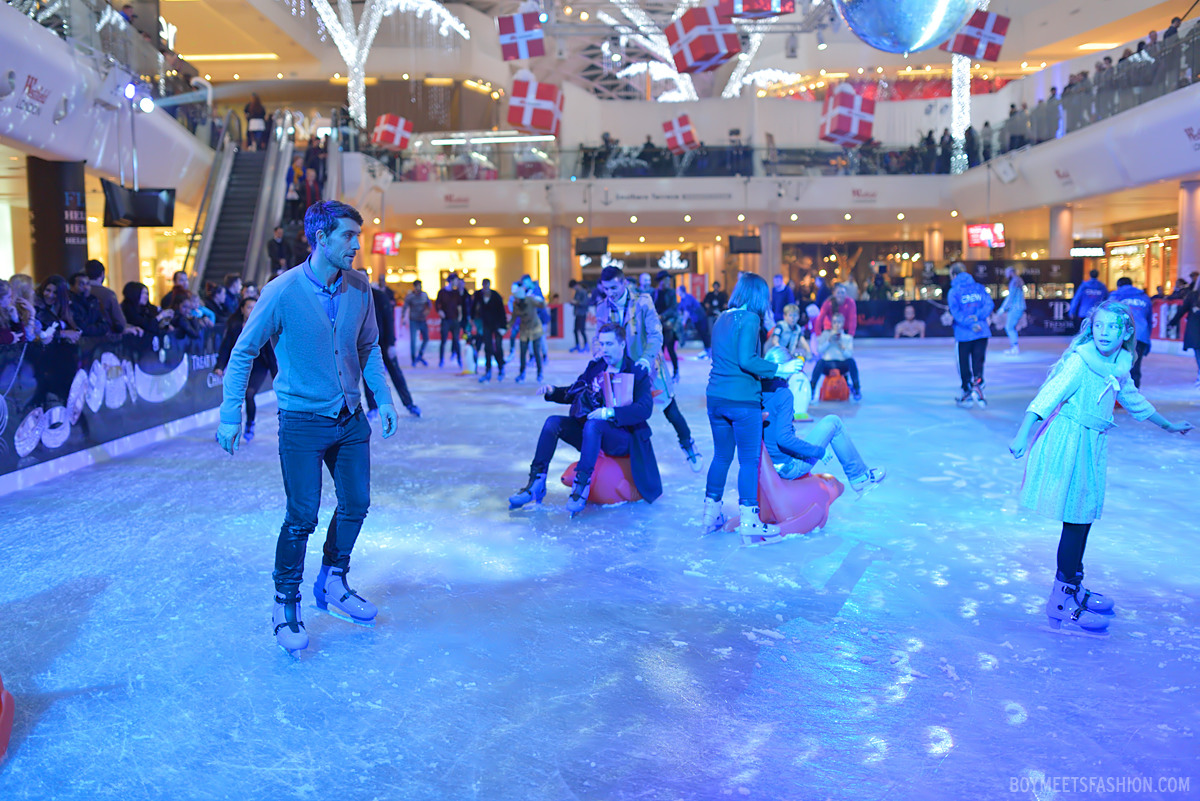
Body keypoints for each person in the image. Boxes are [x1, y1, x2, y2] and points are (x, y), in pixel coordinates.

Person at [215, 200, 398, 656]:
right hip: (301, 420)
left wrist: (384, 397)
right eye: (348, 236)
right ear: (321, 238)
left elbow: (370, 346)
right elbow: (243, 352)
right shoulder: (281, 291)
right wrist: (230, 411)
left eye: (358, 235)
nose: (357, 245)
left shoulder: (360, 287)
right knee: (302, 517)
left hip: (350, 417)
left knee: (357, 503)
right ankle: (285, 601)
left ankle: (333, 580)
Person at [1008, 301, 1192, 633]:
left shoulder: (1120, 365)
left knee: (1084, 515)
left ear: (1126, 332)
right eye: (1098, 326)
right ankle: (1061, 598)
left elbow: (1134, 400)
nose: (1103, 332)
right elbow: (1048, 396)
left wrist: (1167, 425)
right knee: (1076, 519)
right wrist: (1024, 433)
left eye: (1111, 327)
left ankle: (1073, 585)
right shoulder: (1081, 363)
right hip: (1068, 441)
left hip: (1091, 443)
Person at [508, 322, 662, 516]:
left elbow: (645, 409)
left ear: (622, 345)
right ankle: (536, 482)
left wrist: (610, 413)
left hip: (622, 438)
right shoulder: (596, 368)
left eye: (609, 344)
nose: (604, 349)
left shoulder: (636, 371)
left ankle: (581, 486)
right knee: (552, 423)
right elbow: (576, 392)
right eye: (602, 344)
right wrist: (553, 391)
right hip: (593, 433)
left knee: (594, 423)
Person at [703, 273, 804, 544]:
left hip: (715, 397)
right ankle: (750, 521)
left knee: (721, 457)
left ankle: (710, 515)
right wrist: (781, 368)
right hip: (741, 400)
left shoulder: (721, 318)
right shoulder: (750, 319)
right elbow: (748, 360)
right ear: (759, 295)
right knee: (749, 460)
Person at [594, 265, 702, 472]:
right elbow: (598, 338)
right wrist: (598, 353)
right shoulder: (602, 308)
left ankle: (688, 444)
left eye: (613, 288)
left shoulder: (642, 302)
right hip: (622, 371)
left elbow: (655, 334)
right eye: (606, 289)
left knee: (671, 410)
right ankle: (627, 463)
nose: (610, 294)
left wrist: (646, 358)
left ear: (624, 283)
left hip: (650, 367)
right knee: (625, 415)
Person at [762, 346, 886, 491]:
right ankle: (859, 477)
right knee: (834, 422)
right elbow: (783, 439)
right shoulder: (783, 394)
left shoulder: (758, 389)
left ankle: (859, 475)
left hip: (768, 464)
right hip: (787, 467)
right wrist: (819, 452)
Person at [214, 295, 277, 442]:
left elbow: (270, 353)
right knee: (231, 396)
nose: (252, 310)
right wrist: (219, 366)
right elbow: (225, 348)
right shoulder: (235, 327)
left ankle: (250, 424)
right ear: (242, 309)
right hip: (240, 367)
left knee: (249, 394)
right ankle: (226, 428)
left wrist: (276, 376)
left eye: (255, 307)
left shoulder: (263, 327)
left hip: (259, 366)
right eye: (249, 307)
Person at [362, 269, 420, 418]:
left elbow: (389, 320)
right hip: (365, 345)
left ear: (367, 279)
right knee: (368, 375)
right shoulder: (353, 298)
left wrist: (392, 344)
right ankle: (373, 407)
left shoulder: (379, 297)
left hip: (384, 342)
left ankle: (409, 404)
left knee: (395, 373)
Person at [948, 262, 993, 407]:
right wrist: (978, 317)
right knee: (978, 361)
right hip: (981, 331)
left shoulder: (954, 291)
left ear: (954, 275)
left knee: (963, 364)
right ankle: (978, 388)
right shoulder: (979, 288)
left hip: (964, 334)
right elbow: (989, 304)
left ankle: (967, 391)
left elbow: (956, 313)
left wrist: (969, 323)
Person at [1109, 277, 1153, 388]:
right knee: (1135, 366)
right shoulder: (1144, 298)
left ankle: (1117, 396)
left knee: (1116, 365)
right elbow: (1149, 320)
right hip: (1141, 335)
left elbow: (1107, 315)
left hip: (1121, 335)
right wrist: (1147, 339)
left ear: (1119, 286)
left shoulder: (1115, 296)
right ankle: (1134, 397)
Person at [810, 313, 861, 402]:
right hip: (827, 364)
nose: (836, 324)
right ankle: (812, 389)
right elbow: (819, 350)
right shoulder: (826, 334)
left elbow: (849, 354)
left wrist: (841, 346)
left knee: (851, 362)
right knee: (820, 362)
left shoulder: (847, 338)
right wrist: (829, 341)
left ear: (843, 323)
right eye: (834, 322)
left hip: (842, 364)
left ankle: (857, 389)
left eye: (839, 322)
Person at [84, 260, 140, 336]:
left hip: (85, 338)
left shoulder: (80, 292)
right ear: (102, 274)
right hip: (107, 338)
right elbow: (120, 322)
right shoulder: (108, 294)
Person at [473, 278, 507, 382]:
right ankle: (488, 370)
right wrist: (472, 319)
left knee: (497, 347)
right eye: (484, 286)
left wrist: (503, 326)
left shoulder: (496, 296)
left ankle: (501, 367)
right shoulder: (479, 295)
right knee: (488, 347)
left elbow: (502, 311)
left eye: (487, 286)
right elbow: (473, 308)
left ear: (489, 285)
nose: (485, 288)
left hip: (497, 325)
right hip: (486, 325)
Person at [511, 279, 544, 383]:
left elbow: (542, 305)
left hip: (535, 329)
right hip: (524, 330)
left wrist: (540, 299)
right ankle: (522, 373)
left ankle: (539, 373)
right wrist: (506, 328)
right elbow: (513, 318)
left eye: (516, 298)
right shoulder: (516, 305)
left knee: (536, 352)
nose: (515, 300)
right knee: (522, 353)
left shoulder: (530, 300)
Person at [653, 271, 681, 381]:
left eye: (668, 280)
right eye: (665, 280)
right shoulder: (655, 293)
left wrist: (662, 316)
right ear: (660, 281)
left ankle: (676, 372)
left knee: (670, 349)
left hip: (669, 325)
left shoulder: (671, 293)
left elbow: (673, 309)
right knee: (659, 350)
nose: (667, 282)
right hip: (657, 325)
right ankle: (660, 374)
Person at [66, 271, 108, 337]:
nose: (86, 287)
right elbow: (80, 328)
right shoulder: (69, 303)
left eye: (88, 284)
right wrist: (96, 328)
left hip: (95, 343)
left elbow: (105, 325)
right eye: (81, 284)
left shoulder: (93, 301)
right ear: (72, 287)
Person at [435, 273, 462, 370]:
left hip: (455, 319)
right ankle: (441, 360)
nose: (457, 282)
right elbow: (437, 305)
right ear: (451, 281)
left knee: (456, 340)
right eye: (455, 280)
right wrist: (440, 311)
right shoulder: (442, 292)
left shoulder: (456, 292)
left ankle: (459, 360)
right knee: (443, 341)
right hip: (445, 320)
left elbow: (459, 305)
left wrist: (460, 315)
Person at [402, 279, 431, 366]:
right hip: (413, 320)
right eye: (418, 286)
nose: (419, 288)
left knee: (426, 338)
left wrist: (427, 311)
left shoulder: (424, 295)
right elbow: (405, 307)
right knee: (413, 340)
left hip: (422, 320)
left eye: (420, 286)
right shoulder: (410, 296)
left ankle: (420, 355)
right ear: (414, 287)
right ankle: (414, 359)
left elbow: (429, 305)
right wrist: (403, 318)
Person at [999, 266, 1027, 355]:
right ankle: (1014, 347)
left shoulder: (1015, 281)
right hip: (1018, 307)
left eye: (1007, 273)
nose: (1006, 275)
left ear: (1011, 272)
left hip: (1016, 307)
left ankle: (1014, 348)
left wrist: (1003, 308)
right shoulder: (1018, 280)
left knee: (1009, 327)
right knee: (1010, 327)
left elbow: (1011, 297)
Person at [568, 279, 590, 352]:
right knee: (575, 330)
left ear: (576, 285)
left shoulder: (583, 292)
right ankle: (577, 345)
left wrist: (576, 302)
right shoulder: (577, 292)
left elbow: (585, 303)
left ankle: (586, 345)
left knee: (582, 330)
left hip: (582, 313)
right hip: (577, 313)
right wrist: (572, 302)